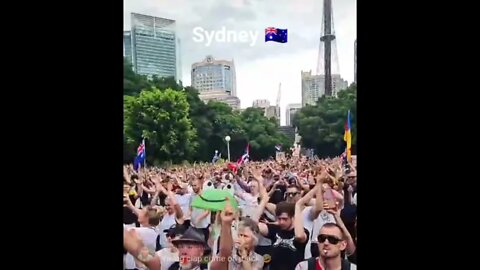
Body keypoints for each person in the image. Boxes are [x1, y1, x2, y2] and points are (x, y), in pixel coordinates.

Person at [257, 201, 309, 270]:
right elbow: (253, 225)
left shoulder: (301, 232)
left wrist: (297, 207)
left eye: (285, 219)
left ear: (292, 218)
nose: (281, 222)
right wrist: (263, 200)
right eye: (279, 219)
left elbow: (299, 236)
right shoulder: (275, 229)